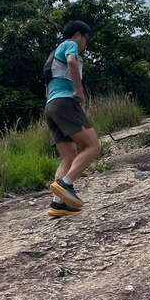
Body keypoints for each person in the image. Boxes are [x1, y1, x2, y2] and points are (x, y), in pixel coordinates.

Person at [43, 20, 101, 217]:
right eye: (86, 40)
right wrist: (79, 92)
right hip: (65, 102)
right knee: (92, 146)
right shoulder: (70, 44)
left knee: (69, 156)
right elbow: (71, 62)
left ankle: (58, 203)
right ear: (78, 35)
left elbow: (48, 87)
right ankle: (65, 184)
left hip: (51, 106)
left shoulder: (51, 56)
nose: (85, 45)